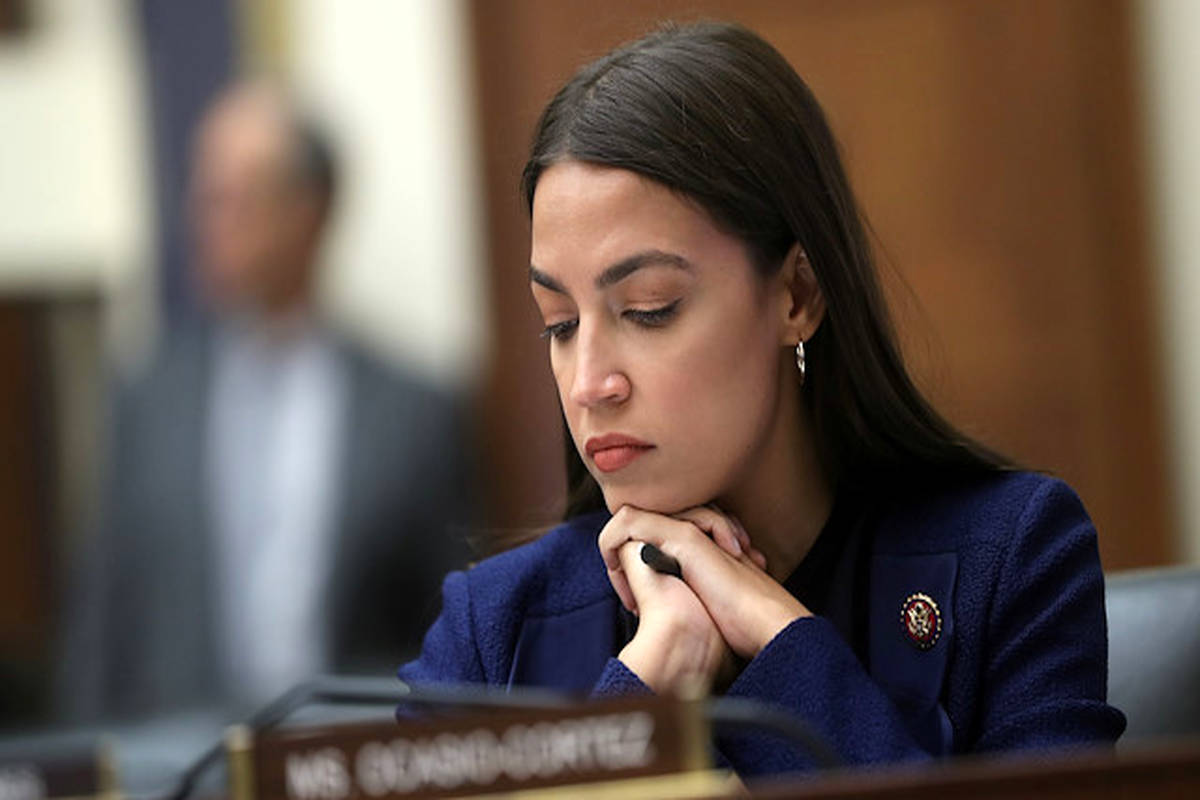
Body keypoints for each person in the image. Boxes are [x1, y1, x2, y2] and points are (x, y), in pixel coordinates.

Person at [398, 21, 1125, 777]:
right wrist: (652, 677)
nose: (588, 384)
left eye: (648, 309)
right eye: (560, 324)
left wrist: (778, 636)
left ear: (796, 295)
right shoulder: (494, 630)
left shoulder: (1010, 558)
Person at [60, 81, 474, 722]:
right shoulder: (146, 397)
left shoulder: (413, 410)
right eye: (202, 195)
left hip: (349, 742)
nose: (205, 220)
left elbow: (453, 627)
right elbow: (102, 623)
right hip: (177, 754)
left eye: (235, 198)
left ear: (310, 211)